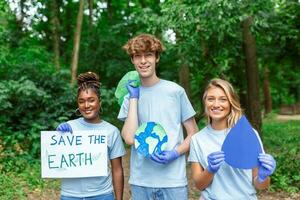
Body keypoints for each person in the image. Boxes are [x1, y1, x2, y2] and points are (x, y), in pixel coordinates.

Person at [118, 33, 199, 200]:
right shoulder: (129, 97)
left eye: (148, 55)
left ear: (157, 58)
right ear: (132, 60)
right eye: (137, 56)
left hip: (173, 181)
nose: (143, 61)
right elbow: (129, 138)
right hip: (141, 181)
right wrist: (134, 98)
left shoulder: (175, 91)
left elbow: (194, 133)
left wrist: (175, 153)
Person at [188, 78, 276, 200]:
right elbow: (199, 185)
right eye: (211, 99)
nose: (216, 104)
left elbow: (261, 186)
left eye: (223, 99)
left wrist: (263, 176)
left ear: (231, 103)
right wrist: (210, 170)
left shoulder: (248, 134)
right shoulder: (197, 139)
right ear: (205, 103)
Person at [56, 72, 126, 200]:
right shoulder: (68, 128)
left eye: (91, 100)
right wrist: (58, 137)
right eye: (81, 101)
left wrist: (119, 199)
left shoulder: (111, 131)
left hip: (102, 195)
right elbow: (58, 158)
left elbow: (117, 169)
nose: (86, 105)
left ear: (99, 102)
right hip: (70, 195)